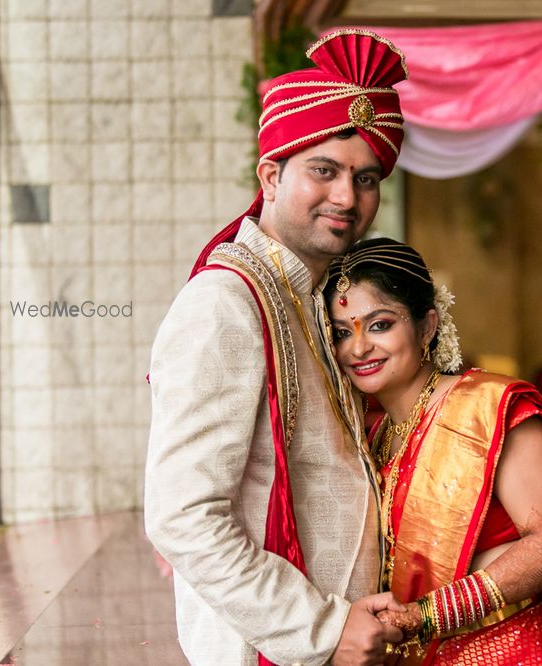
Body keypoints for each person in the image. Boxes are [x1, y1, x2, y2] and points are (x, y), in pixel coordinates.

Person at [145, 31, 411, 666]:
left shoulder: (315, 300)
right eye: (324, 170)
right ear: (270, 174)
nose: (347, 198)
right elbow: (184, 517)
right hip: (271, 650)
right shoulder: (226, 303)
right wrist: (323, 629)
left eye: (366, 178)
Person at [324, 238, 542, 664]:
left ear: (427, 326)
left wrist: (428, 615)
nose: (358, 348)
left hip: (514, 647)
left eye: (380, 325)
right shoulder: (378, 435)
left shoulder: (492, 407)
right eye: (342, 333)